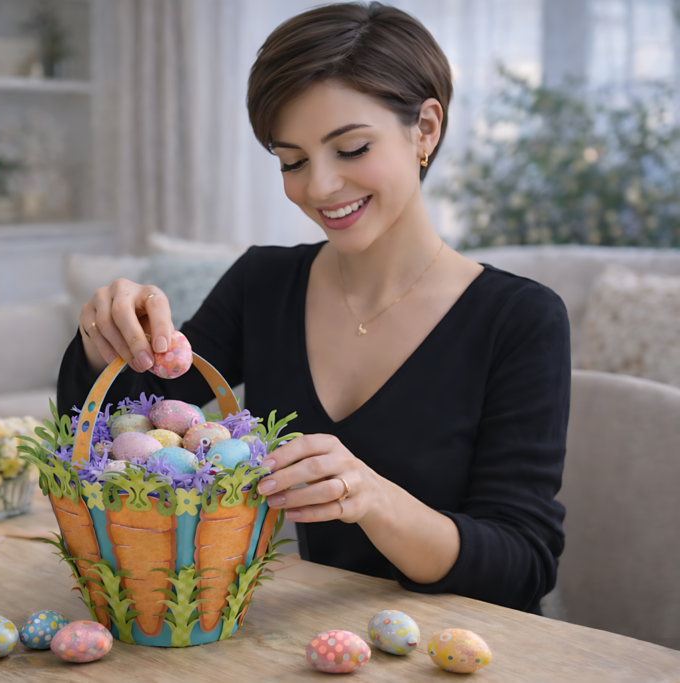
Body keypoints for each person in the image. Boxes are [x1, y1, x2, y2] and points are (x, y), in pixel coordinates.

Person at [57, 2, 569, 614]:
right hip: (308, 641)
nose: (319, 187)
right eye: (291, 161)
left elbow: (522, 566)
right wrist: (107, 337)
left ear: (426, 129)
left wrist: (373, 498)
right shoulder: (264, 282)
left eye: (351, 148)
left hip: (461, 650)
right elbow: (112, 434)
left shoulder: (520, 319)